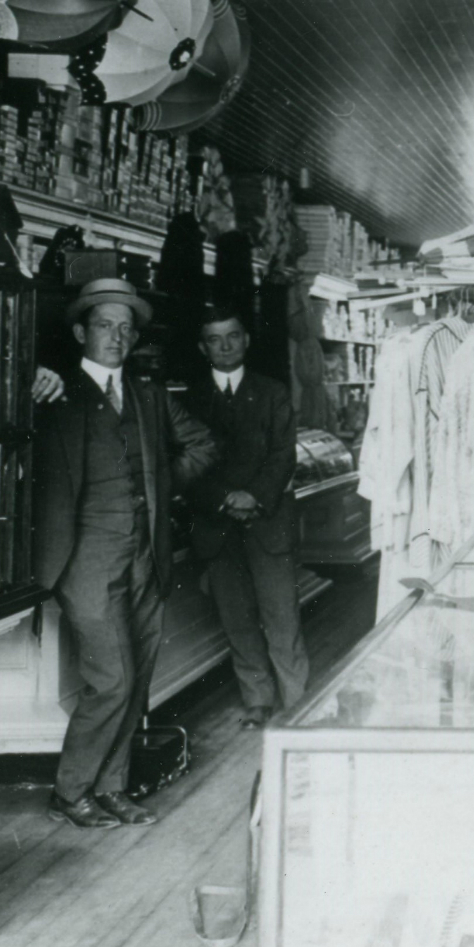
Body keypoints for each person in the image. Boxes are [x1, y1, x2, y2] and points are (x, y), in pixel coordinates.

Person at [33, 278, 218, 829]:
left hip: (146, 554)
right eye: (104, 326)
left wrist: (162, 482)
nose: (116, 337)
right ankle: (69, 793)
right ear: (79, 332)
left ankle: (110, 787)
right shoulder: (54, 392)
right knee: (112, 678)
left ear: (134, 338)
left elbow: (205, 444)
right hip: (85, 557)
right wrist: (26, 377)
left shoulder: (149, 397)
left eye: (125, 328)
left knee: (136, 679)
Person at [187, 306, 307, 728]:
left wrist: (253, 496)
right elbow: (183, 464)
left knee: (281, 615)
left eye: (232, 336)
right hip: (217, 523)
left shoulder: (273, 393)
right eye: (215, 340)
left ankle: (297, 705)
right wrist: (225, 499)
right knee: (236, 618)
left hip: (267, 519)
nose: (225, 346)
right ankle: (258, 699)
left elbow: (283, 455)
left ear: (246, 340)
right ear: (203, 348)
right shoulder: (188, 398)